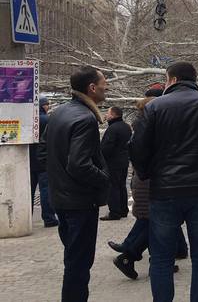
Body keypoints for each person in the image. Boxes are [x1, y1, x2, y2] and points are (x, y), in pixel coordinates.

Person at [132, 62, 198, 302]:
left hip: (164, 191)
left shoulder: (155, 107)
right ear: (194, 79)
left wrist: (147, 173)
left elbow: (138, 147)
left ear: (171, 79)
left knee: (161, 258)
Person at [109, 88, 188, 280]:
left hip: (146, 179)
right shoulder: (154, 129)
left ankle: (133, 253)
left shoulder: (143, 126)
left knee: (153, 222)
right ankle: (132, 254)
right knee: (156, 223)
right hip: (153, 181)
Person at [46, 66, 110, 302]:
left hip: (61, 199)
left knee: (73, 259)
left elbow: (46, 153)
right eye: (104, 82)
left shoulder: (60, 112)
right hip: (80, 203)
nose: (107, 86)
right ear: (92, 88)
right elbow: (79, 164)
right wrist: (105, 178)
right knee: (79, 264)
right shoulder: (85, 118)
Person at [100, 107, 132, 221]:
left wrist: (100, 158)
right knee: (121, 185)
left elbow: (107, 147)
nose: (106, 115)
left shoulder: (112, 129)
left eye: (108, 113)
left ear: (113, 115)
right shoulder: (126, 127)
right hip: (124, 161)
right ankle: (123, 210)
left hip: (113, 162)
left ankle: (114, 212)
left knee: (113, 186)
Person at [30, 96, 58, 227]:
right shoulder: (48, 120)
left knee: (29, 191)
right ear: (42, 106)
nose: (48, 106)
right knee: (46, 190)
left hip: (29, 161)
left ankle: (27, 218)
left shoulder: (29, 120)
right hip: (44, 161)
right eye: (47, 104)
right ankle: (49, 218)